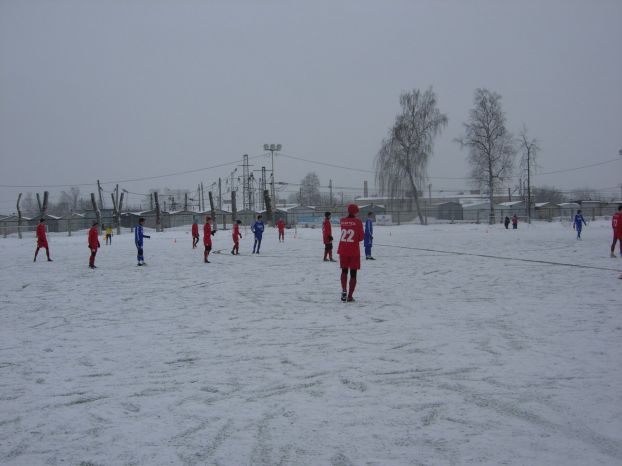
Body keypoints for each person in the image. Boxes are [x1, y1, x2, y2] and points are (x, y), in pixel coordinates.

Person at [338, 204, 364, 302]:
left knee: (344, 271)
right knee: (353, 273)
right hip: (353, 250)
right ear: (356, 211)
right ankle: (350, 296)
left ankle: (344, 289)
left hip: (343, 249)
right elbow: (361, 237)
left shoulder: (342, 221)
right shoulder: (358, 222)